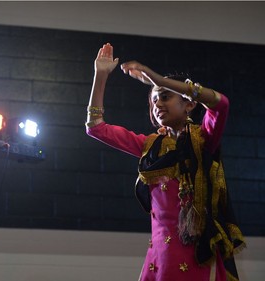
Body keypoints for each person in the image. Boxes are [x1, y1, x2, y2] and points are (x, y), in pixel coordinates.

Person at [86, 43, 245, 281]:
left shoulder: (204, 140)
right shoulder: (150, 146)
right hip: (158, 254)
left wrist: (157, 78)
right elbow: (96, 128)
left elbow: (221, 104)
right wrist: (100, 75)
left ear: (189, 104)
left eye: (165, 97)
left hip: (192, 251)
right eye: (154, 100)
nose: (158, 104)